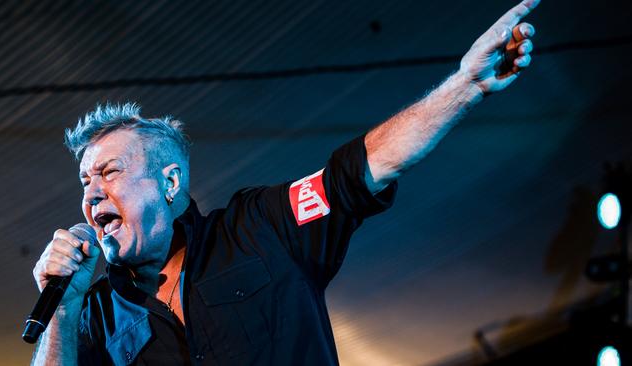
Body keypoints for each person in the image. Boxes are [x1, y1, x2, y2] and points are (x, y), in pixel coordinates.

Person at [31, 1, 540, 364]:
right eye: (84, 179)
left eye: (109, 171)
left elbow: (359, 171)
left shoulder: (262, 228)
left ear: (169, 182)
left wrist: (465, 87)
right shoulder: (92, 314)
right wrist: (62, 308)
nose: (91, 191)